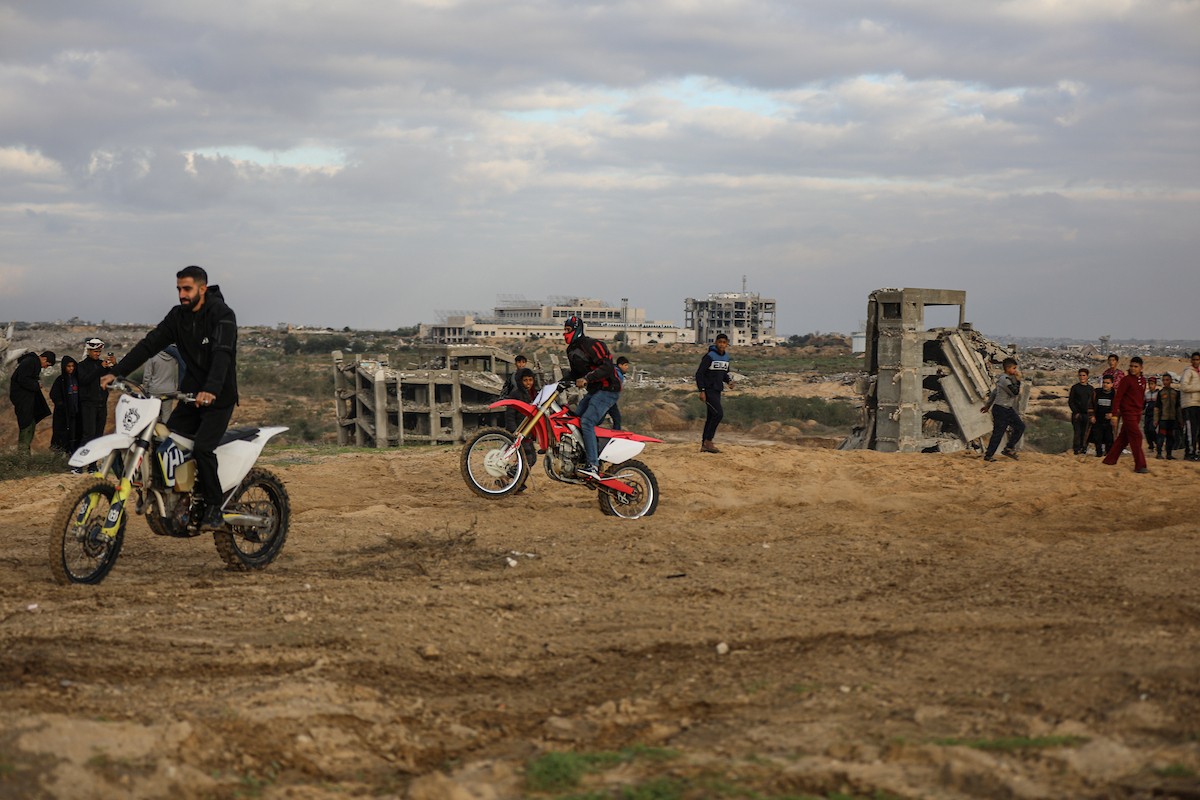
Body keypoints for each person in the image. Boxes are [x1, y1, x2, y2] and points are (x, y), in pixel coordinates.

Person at [103, 266, 238, 530]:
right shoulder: (178, 316)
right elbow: (149, 344)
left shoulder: (222, 315)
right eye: (178, 289)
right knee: (166, 443)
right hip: (189, 395)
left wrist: (211, 389)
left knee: (202, 448)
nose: (182, 294)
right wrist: (117, 372)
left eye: (187, 289)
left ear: (202, 288)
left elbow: (223, 354)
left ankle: (214, 506)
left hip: (218, 397)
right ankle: (178, 497)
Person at [562, 315, 619, 479]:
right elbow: (575, 374)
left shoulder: (593, 345)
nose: (565, 333)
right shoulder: (571, 351)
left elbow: (607, 367)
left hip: (608, 389)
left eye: (568, 330)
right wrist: (557, 385)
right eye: (564, 330)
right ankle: (586, 456)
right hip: (594, 391)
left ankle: (593, 465)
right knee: (575, 420)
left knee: (586, 421)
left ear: (577, 330)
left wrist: (587, 378)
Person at [1103, 356, 1149, 473]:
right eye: (1131, 366)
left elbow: (1141, 398)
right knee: (1137, 436)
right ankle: (1140, 465)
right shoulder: (1126, 380)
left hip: (1137, 413)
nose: (1133, 368)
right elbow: (1118, 398)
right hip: (1128, 413)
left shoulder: (1143, 381)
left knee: (1124, 437)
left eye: (1136, 366)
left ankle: (1109, 460)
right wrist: (1114, 414)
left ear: (1141, 368)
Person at [8, 349, 55, 455]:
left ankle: (25, 453)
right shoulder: (30, 362)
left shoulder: (32, 362)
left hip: (27, 399)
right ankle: (23, 455)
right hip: (23, 399)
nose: (45, 367)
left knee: (30, 422)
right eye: (47, 364)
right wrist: (36, 385)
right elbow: (22, 379)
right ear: (44, 359)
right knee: (26, 424)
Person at [979, 356, 1025, 462]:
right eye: (1014, 368)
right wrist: (1018, 381)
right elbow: (1014, 392)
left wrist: (988, 405)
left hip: (1007, 408)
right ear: (1008, 368)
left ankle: (1008, 448)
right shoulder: (1005, 380)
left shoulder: (1006, 379)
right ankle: (988, 455)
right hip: (1001, 409)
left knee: (1020, 427)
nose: (1015, 371)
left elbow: (994, 392)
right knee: (998, 433)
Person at [696, 333, 734, 453]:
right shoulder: (709, 356)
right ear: (716, 343)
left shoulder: (726, 357)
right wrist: (702, 390)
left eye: (724, 342)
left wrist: (729, 381)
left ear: (727, 344)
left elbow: (724, 373)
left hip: (717, 390)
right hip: (708, 390)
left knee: (711, 417)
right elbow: (699, 374)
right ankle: (709, 441)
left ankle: (704, 444)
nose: (722, 344)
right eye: (720, 342)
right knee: (718, 414)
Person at [77, 338, 115, 444]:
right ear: (89, 351)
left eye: (99, 351)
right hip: (88, 405)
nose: (97, 354)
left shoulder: (102, 364)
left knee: (98, 436)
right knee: (89, 435)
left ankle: (95, 455)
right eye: (95, 351)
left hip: (101, 404)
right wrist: (100, 368)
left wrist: (113, 366)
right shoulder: (81, 365)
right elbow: (84, 380)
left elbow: (110, 381)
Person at [49, 356, 83, 454]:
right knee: (62, 435)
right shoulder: (60, 380)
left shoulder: (78, 379)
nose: (71, 368)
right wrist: (62, 405)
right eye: (68, 366)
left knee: (76, 434)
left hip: (77, 413)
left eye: (72, 366)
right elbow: (54, 394)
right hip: (64, 414)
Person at [141, 349, 181, 421]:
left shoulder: (152, 357)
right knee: (166, 415)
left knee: (153, 415)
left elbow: (147, 376)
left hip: (154, 390)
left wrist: (145, 389)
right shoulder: (174, 358)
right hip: (169, 390)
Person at [1067, 368, 1094, 455]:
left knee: (1085, 433)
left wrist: (1092, 414)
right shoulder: (1075, 388)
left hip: (1087, 414)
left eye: (1084, 375)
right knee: (1077, 432)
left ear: (1087, 376)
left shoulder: (1091, 388)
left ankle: (1084, 448)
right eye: (1080, 375)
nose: (1082, 377)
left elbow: (1093, 402)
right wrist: (1076, 412)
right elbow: (1071, 401)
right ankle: (1076, 449)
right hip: (1077, 414)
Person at [1154, 373, 1181, 460]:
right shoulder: (1160, 393)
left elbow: (1178, 407)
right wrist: (1155, 420)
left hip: (1172, 419)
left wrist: (1180, 420)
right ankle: (1159, 453)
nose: (1165, 382)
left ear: (1171, 381)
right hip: (1163, 419)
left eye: (1167, 380)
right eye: (1164, 380)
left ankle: (1169, 454)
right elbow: (1157, 407)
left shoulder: (1175, 393)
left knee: (1170, 437)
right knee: (1161, 437)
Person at [1181, 351, 1200, 462]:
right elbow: (1184, 387)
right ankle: (1190, 452)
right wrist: (1198, 387)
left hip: (1198, 404)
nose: (1195, 362)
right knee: (1191, 430)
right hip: (1189, 404)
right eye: (1194, 359)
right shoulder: (1188, 372)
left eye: (1197, 360)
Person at [1091, 375, 1116, 458]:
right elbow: (1091, 404)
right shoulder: (1097, 392)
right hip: (1098, 419)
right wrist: (1092, 416)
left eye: (1108, 383)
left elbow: (1119, 407)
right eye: (1104, 382)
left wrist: (1112, 414)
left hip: (1109, 421)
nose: (1105, 384)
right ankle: (1098, 454)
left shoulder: (1114, 394)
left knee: (1109, 439)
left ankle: (1108, 455)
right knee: (1097, 438)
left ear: (1112, 384)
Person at [604, 356, 631, 430]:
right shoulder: (617, 374)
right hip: (607, 398)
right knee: (616, 418)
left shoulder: (615, 372)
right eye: (625, 365)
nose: (627, 367)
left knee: (616, 418)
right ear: (620, 365)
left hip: (610, 399)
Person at [1142, 375, 1159, 455]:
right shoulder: (1146, 394)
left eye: (1152, 384)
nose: (1150, 386)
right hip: (1147, 414)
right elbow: (1143, 405)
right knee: (1146, 430)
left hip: (1154, 415)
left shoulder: (1158, 394)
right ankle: (1151, 446)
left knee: (1151, 429)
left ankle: (1157, 442)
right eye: (1149, 384)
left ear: (1155, 384)